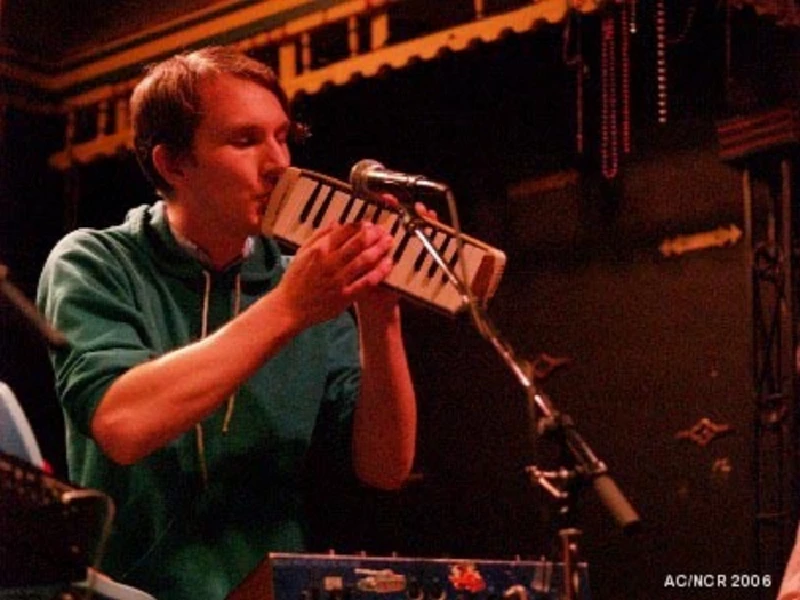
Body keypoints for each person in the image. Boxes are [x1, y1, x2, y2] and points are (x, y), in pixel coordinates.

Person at [37, 46, 418, 600]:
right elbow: (122, 424)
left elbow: (386, 467)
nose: (278, 163)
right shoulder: (94, 261)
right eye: (245, 140)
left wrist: (381, 313)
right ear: (173, 164)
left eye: (282, 136)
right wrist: (290, 307)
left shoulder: (303, 283)